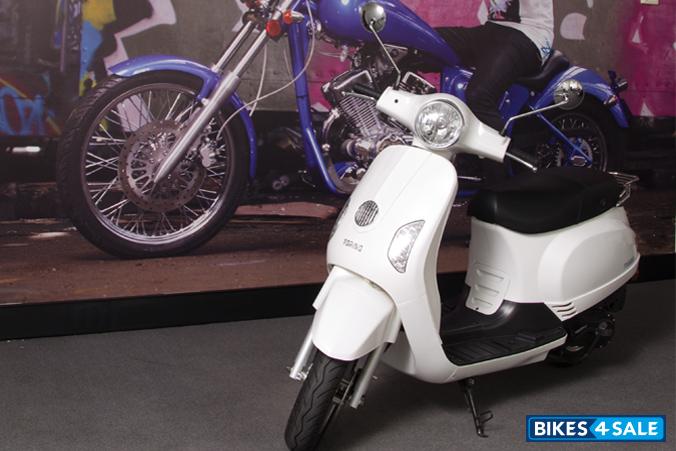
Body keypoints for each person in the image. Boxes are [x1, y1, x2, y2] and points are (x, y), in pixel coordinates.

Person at [436, 0, 554, 132]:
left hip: (529, 34)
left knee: (479, 96)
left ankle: (500, 144)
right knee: (422, 42)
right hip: (492, 29)